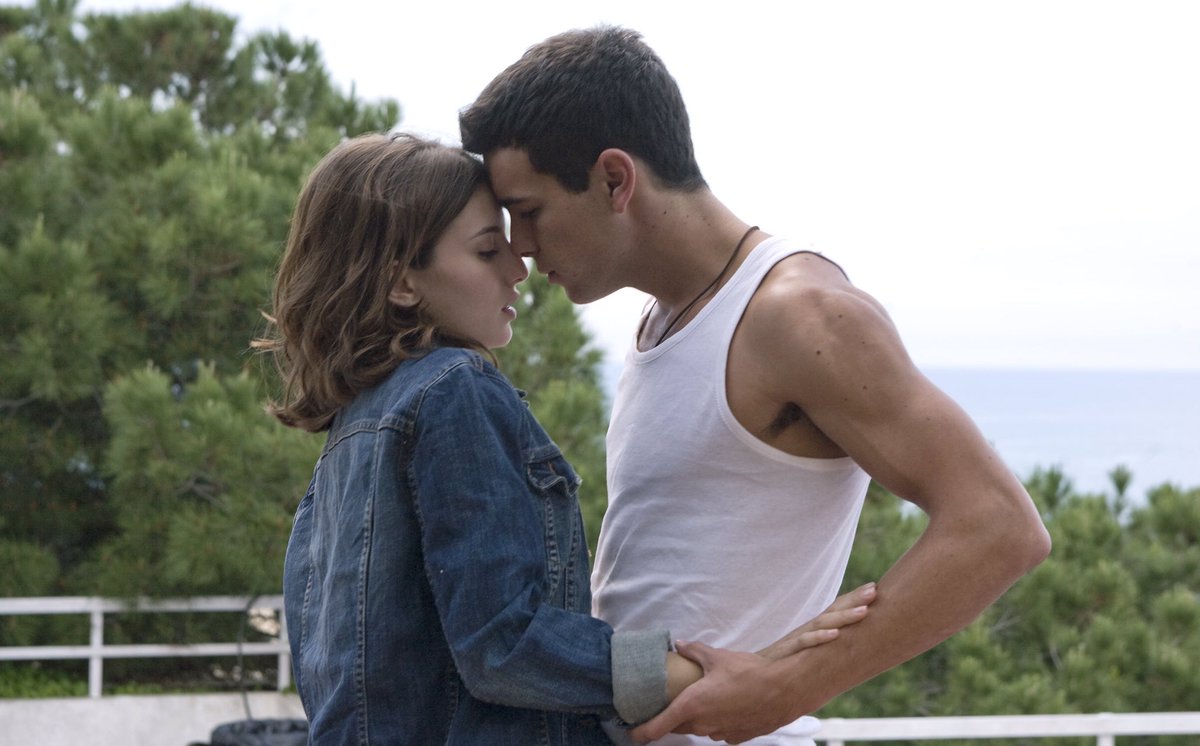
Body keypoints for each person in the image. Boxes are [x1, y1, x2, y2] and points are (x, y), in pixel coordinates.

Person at [459, 26, 1053, 745]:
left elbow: (999, 526)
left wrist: (789, 687)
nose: (520, 247)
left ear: (615, 180)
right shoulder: (661, 320)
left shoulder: (799, 312)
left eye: (528, 211)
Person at [256, 132, 876, 745]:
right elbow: (502, 641)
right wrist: (738, 674)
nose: (517, 269)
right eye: (486, 251)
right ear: (402, 283)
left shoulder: (353, 427)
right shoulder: (453, 390)